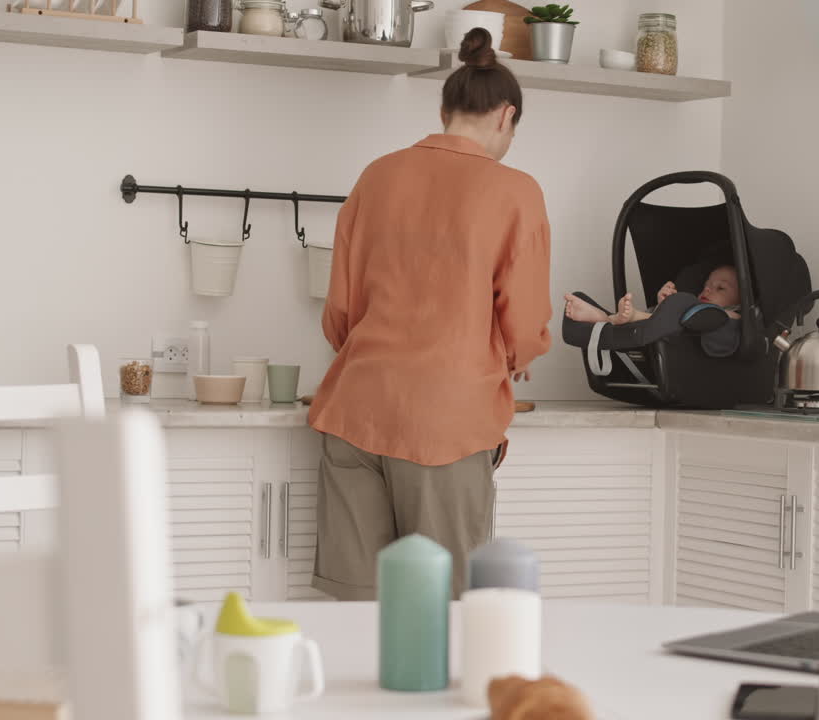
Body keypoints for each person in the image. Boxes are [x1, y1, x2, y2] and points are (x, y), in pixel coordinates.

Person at [307, 28, 551, 600]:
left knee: (358, 607)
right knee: (447, 607)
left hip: (356, 409)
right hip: (445, 422)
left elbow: (340, 310)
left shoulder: (377, 175)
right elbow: (523, 318)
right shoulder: (515, 191)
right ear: (505, 116)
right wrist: (520, 354)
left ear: (445, 110)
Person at [562, 263, 742, 358]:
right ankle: (609, 319)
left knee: (689, 306)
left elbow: (721, 317)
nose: (708, 290)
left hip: (687, 340)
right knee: (682, 306)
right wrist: (664, 305)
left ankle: (614, 319)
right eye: (706, 285)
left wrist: (677, 305)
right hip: (658, 333)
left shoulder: (735, 316)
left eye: (720, 288)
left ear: (740, 300)